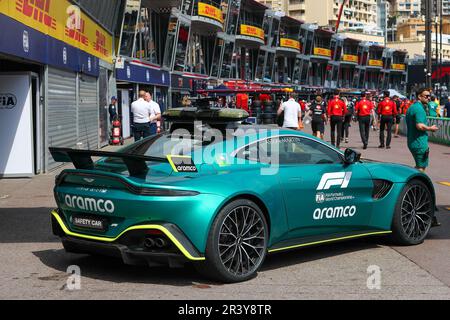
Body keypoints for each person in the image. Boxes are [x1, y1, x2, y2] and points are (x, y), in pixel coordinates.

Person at [405, 88, 439, 172]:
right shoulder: (419, 109)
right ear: (419, 96)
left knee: (419, 167)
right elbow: (419, 126)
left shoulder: (412, 107)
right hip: (419, 142)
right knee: (421, 168)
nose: (428, 98)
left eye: (429, 96)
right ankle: (416, 184)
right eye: (426, 96)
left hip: (413, 141)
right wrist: (430, 128)